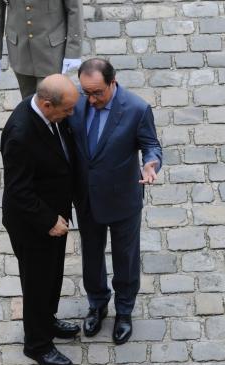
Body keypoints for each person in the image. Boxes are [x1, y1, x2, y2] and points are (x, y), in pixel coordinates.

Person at [67, 59, 162, 344]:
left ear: (113, 83)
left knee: (125, 257)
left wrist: (151, 165)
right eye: (87, 92)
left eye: (98, 93)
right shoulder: (76, 102)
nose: (91, 99)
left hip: (123, 198)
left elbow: (151, 145)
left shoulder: (136, 108)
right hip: (86, 197)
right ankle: (97, 304)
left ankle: (124, 310)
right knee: (92, 254)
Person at [0, 74, 80, 365]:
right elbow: (19, 190)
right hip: (33, 225)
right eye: (67, 110)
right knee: (36, 284)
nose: (72, 114)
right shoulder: (21, 135)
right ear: (47, 105)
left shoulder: (44, 114)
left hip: (54, 215)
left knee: (52, 275)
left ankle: (47, 320)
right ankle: (37, 344)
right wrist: (48, 221)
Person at [0, 0, 83, 99]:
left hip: (52, 51)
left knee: (50, 101)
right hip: (20, 50)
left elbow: (74, 10)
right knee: (28, 102)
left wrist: (73, 52)